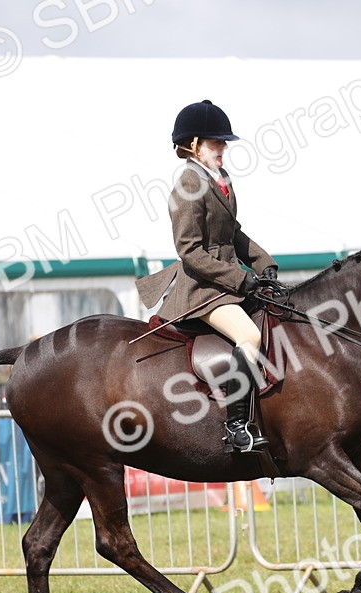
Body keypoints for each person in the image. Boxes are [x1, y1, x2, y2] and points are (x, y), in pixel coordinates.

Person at [136, 100, 288, 453]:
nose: (223, 149)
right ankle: (237, 428)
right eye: (216, 143)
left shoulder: (220, 180)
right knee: (250, 336)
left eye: (223, 143)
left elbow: (233, 232)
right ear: (193, 146)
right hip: (202, 290)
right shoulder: (187, 186)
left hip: (225, 283)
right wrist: (240, 279)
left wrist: (264, 264)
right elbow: (189, 252)